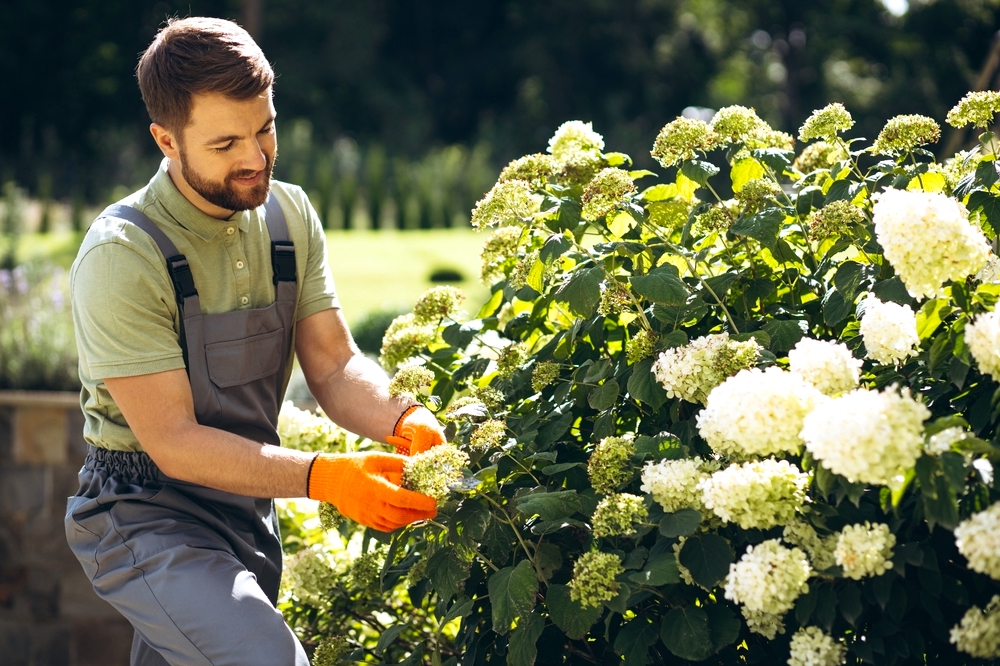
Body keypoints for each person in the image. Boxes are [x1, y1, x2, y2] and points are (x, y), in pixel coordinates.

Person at [64, 16, 446, 666]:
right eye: (224, 144)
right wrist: (326, 477)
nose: (254, 157)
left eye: (264, 129)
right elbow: (175, 441)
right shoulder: (122, 254)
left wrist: (404, 419)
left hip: (245, 508)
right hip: (143, 514)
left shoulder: (288, 216)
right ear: (166, 140)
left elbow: (333, 363)